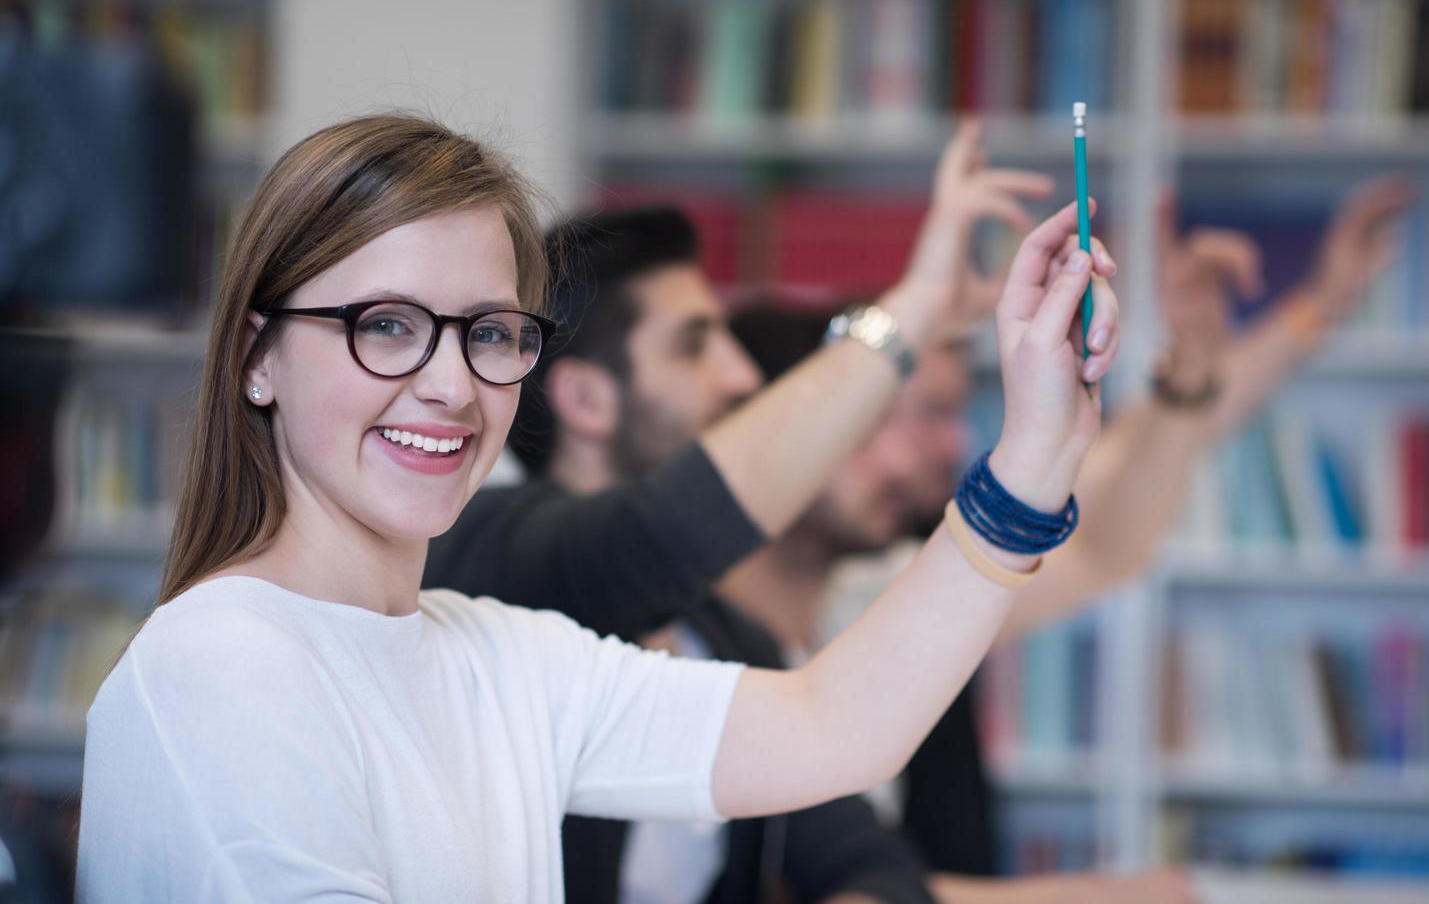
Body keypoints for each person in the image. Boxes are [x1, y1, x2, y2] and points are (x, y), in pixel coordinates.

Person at [75, 112, 1120, 903]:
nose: (449, 383)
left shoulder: (498, 656)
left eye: (488, 332)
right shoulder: (218, 666)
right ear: (258, 354)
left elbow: (833, 723)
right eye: (385, 324)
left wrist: (1030, 455)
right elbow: (666, 537)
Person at [423, 123, 1082, 902]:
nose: (740, 378)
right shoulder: (490, 557)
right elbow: (656, 535)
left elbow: (865, 852)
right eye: (695, 346)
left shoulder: (729, 636)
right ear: (587, 398)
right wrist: (916, 310)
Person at [716, 178, 1415, 903]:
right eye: (914, 414)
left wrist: (1251, 343)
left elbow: (1103, 537)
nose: (945, 445)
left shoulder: (871, 589)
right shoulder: (685, 645)